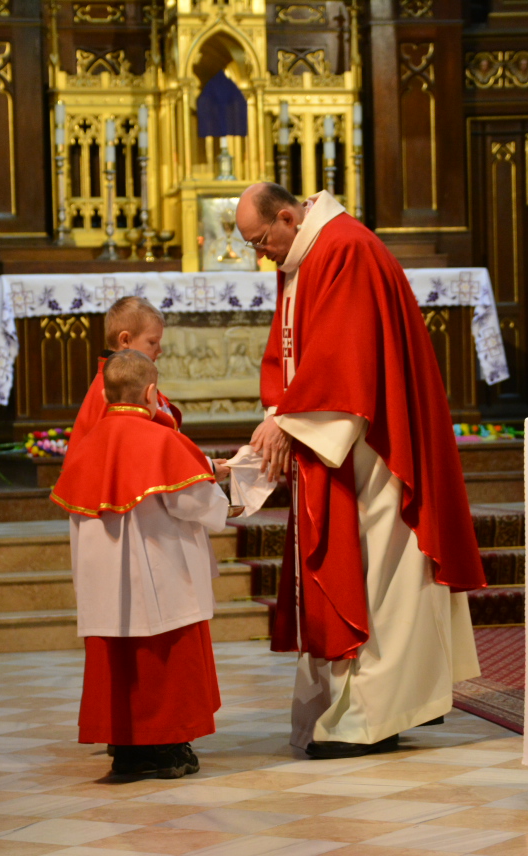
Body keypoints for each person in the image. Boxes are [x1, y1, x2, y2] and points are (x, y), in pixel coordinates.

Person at [236, 182, 486, 759]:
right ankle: (379, 702)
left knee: (385, 569)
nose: (261, 255)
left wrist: (290, 422)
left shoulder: (344, 248)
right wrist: (280, 414)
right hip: (345, 435)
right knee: (372, 569)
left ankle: (372, 715)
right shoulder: (309, 252)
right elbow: (296, 351)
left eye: (260, 240)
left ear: (287, 216)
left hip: (378, 438)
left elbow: (347, 355)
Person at [51, 350, 228, 778]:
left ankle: (129, 749)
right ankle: (165, 748)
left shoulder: (87, 446)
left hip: (104, 585)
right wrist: (224, 498)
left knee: (120, 665)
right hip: (161, 575)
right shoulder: (160, 440)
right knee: (164, 660)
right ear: (151, 393)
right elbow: (193, 502)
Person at [70, 297, 182, 449]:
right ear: (125, 340)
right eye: (152, 342)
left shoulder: (130, 378)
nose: (160, 350)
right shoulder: (117, 386)